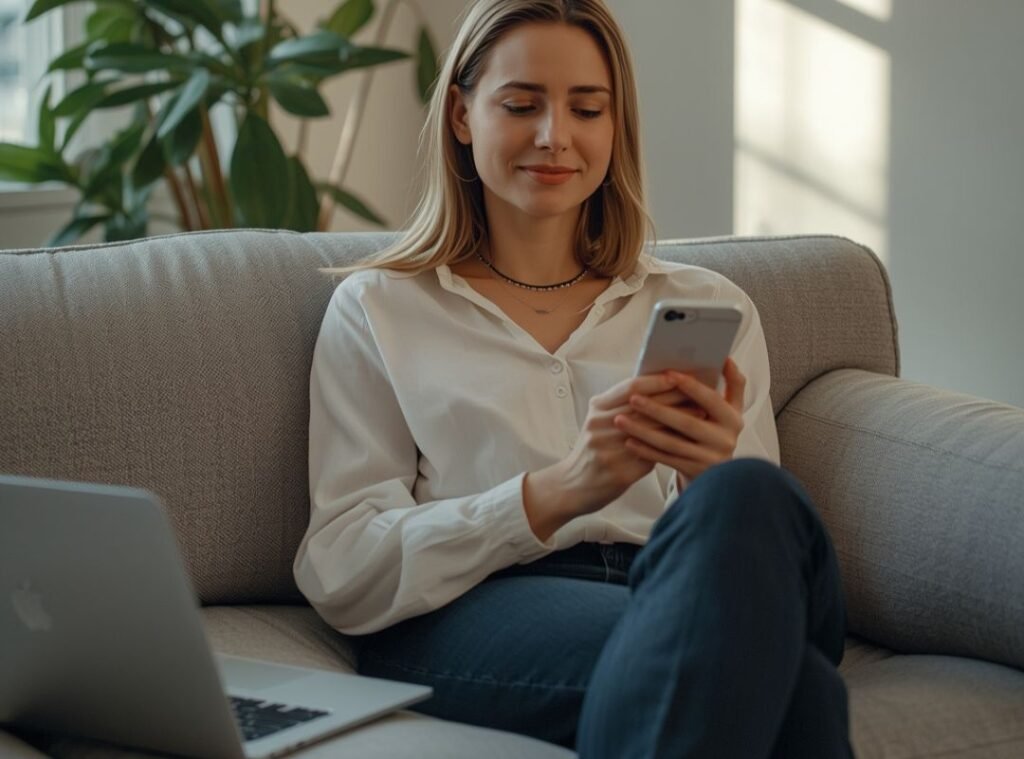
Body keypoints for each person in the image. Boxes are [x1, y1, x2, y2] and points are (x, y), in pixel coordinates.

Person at [293, 1, 852, 756]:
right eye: (521, 105)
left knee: (748, 491)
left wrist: (707, 474)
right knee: (802, 688)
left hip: (678, 578)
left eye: (587, 108)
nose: (556, 136)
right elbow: (343, 565)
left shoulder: (707, 307)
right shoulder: (380, 309)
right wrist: (558, 489)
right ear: (461, 114)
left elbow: (756, 555)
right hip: (478, 606)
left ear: (615, 125)